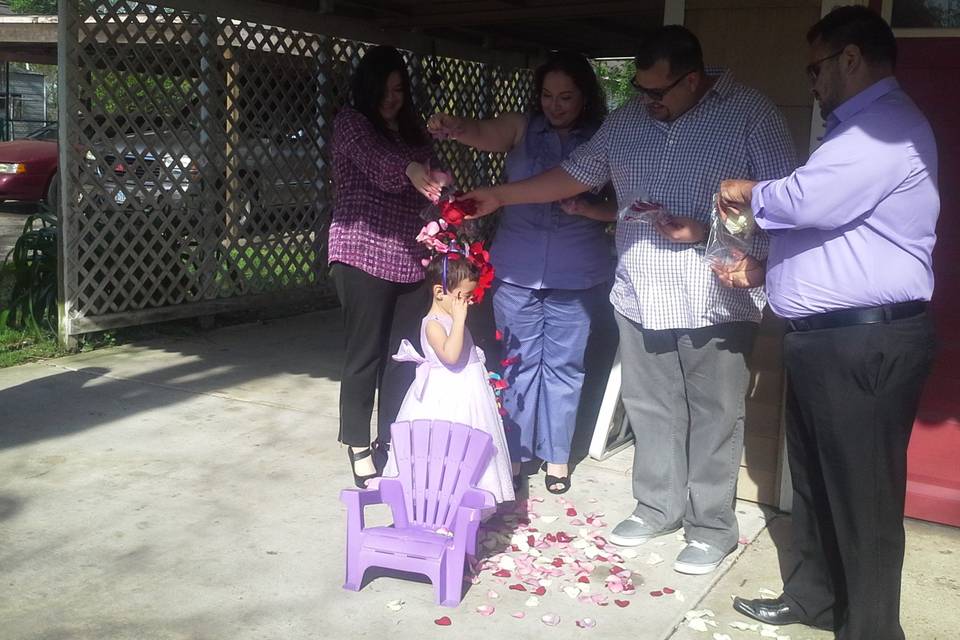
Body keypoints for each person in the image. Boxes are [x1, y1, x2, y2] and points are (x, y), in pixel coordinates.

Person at [461, 26, 796, 574]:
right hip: (639, 291)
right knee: (650, 407)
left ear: (693, 80)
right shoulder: (627, 122)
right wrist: (499, 195)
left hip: (713, 292)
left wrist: (713, 235)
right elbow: (572, 175)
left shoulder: (751, 114)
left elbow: (787, 196)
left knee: (713, 415)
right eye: (640, 90)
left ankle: (711, 526)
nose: (647, 101)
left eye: (657, 92)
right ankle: (657, 506)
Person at [714, 7, 939, 640]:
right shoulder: (853, 132)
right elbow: (840, 235)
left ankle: (870, 630)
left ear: (849, 59)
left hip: (865, 341)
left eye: (816, 67)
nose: (810, 80)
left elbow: (809, 200)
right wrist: (769, 277)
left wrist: (749, 192)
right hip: (829, 340)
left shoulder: (886, 128)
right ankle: (813, 598)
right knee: (813, 481)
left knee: (863, 499)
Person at [427, 51, 615, 494]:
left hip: (579, 269)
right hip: (516, 268)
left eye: (566, 97)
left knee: (565, 367)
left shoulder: (605, 137)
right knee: (517, 363)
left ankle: (557, 457)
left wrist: (591, 209)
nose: (556, 105)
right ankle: (514, 452)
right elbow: (483, 133)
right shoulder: (522, 127)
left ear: (585, 97)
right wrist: (455, 126)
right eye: (548, 95)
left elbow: (620, 208)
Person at [329, 45, 449, 487]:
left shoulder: (415, 133)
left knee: (404, 357)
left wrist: (445, 192)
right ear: (367, 89)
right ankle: (358, 442)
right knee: (365, 354)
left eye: (398, 90)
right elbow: (381, 168)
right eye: (383, 90)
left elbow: (439, 176)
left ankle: (394, 438)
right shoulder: (352, 124)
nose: (391, 98)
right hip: (360, 252)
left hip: (409, 258)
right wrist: (414, 168)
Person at [382, 252, 515, 504]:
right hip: (447, 396)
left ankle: (470, 498)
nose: (468, 303)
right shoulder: (433, 324)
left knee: (472, 447)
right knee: (445, 449)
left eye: (470, 297)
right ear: (440, 292)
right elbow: (451, 356)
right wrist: (460, 320)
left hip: (469, 395)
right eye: (463, 297)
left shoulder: (450, 317)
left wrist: (458, 319)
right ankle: (440, 500)